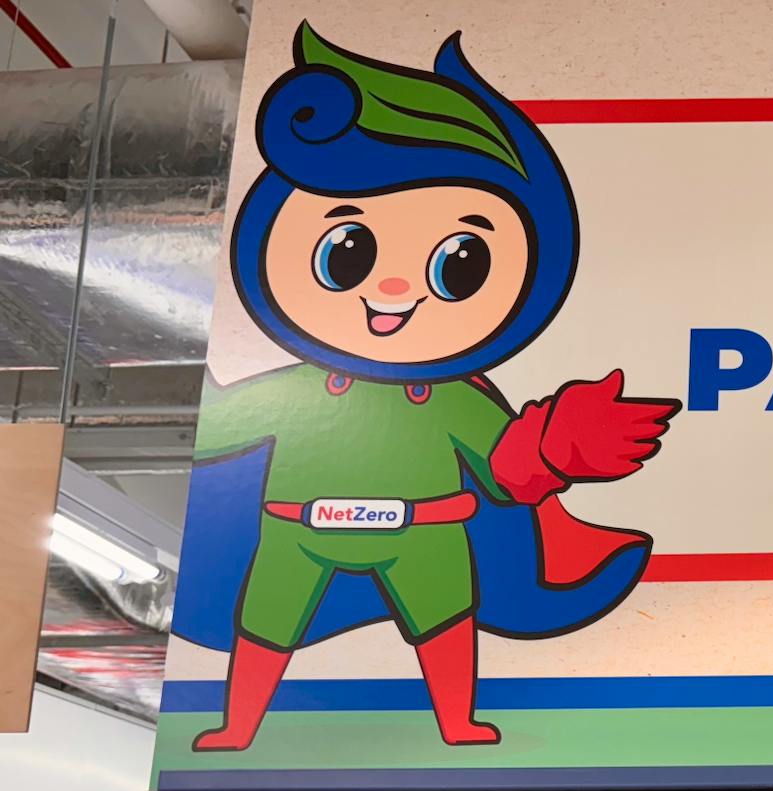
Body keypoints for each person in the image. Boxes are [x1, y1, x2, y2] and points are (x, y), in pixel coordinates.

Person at [181, 23, 677, 750]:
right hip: (298, 528)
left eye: (459, 264)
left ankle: (457, 724)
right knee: (266, 625)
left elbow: (506, 468)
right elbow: (220, 427)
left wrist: (556, 445)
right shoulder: (297, 391)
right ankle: (239, 729)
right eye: (345, 252)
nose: (391, 286)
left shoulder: (447, 398)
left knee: (445, 626)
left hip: (428, 531)